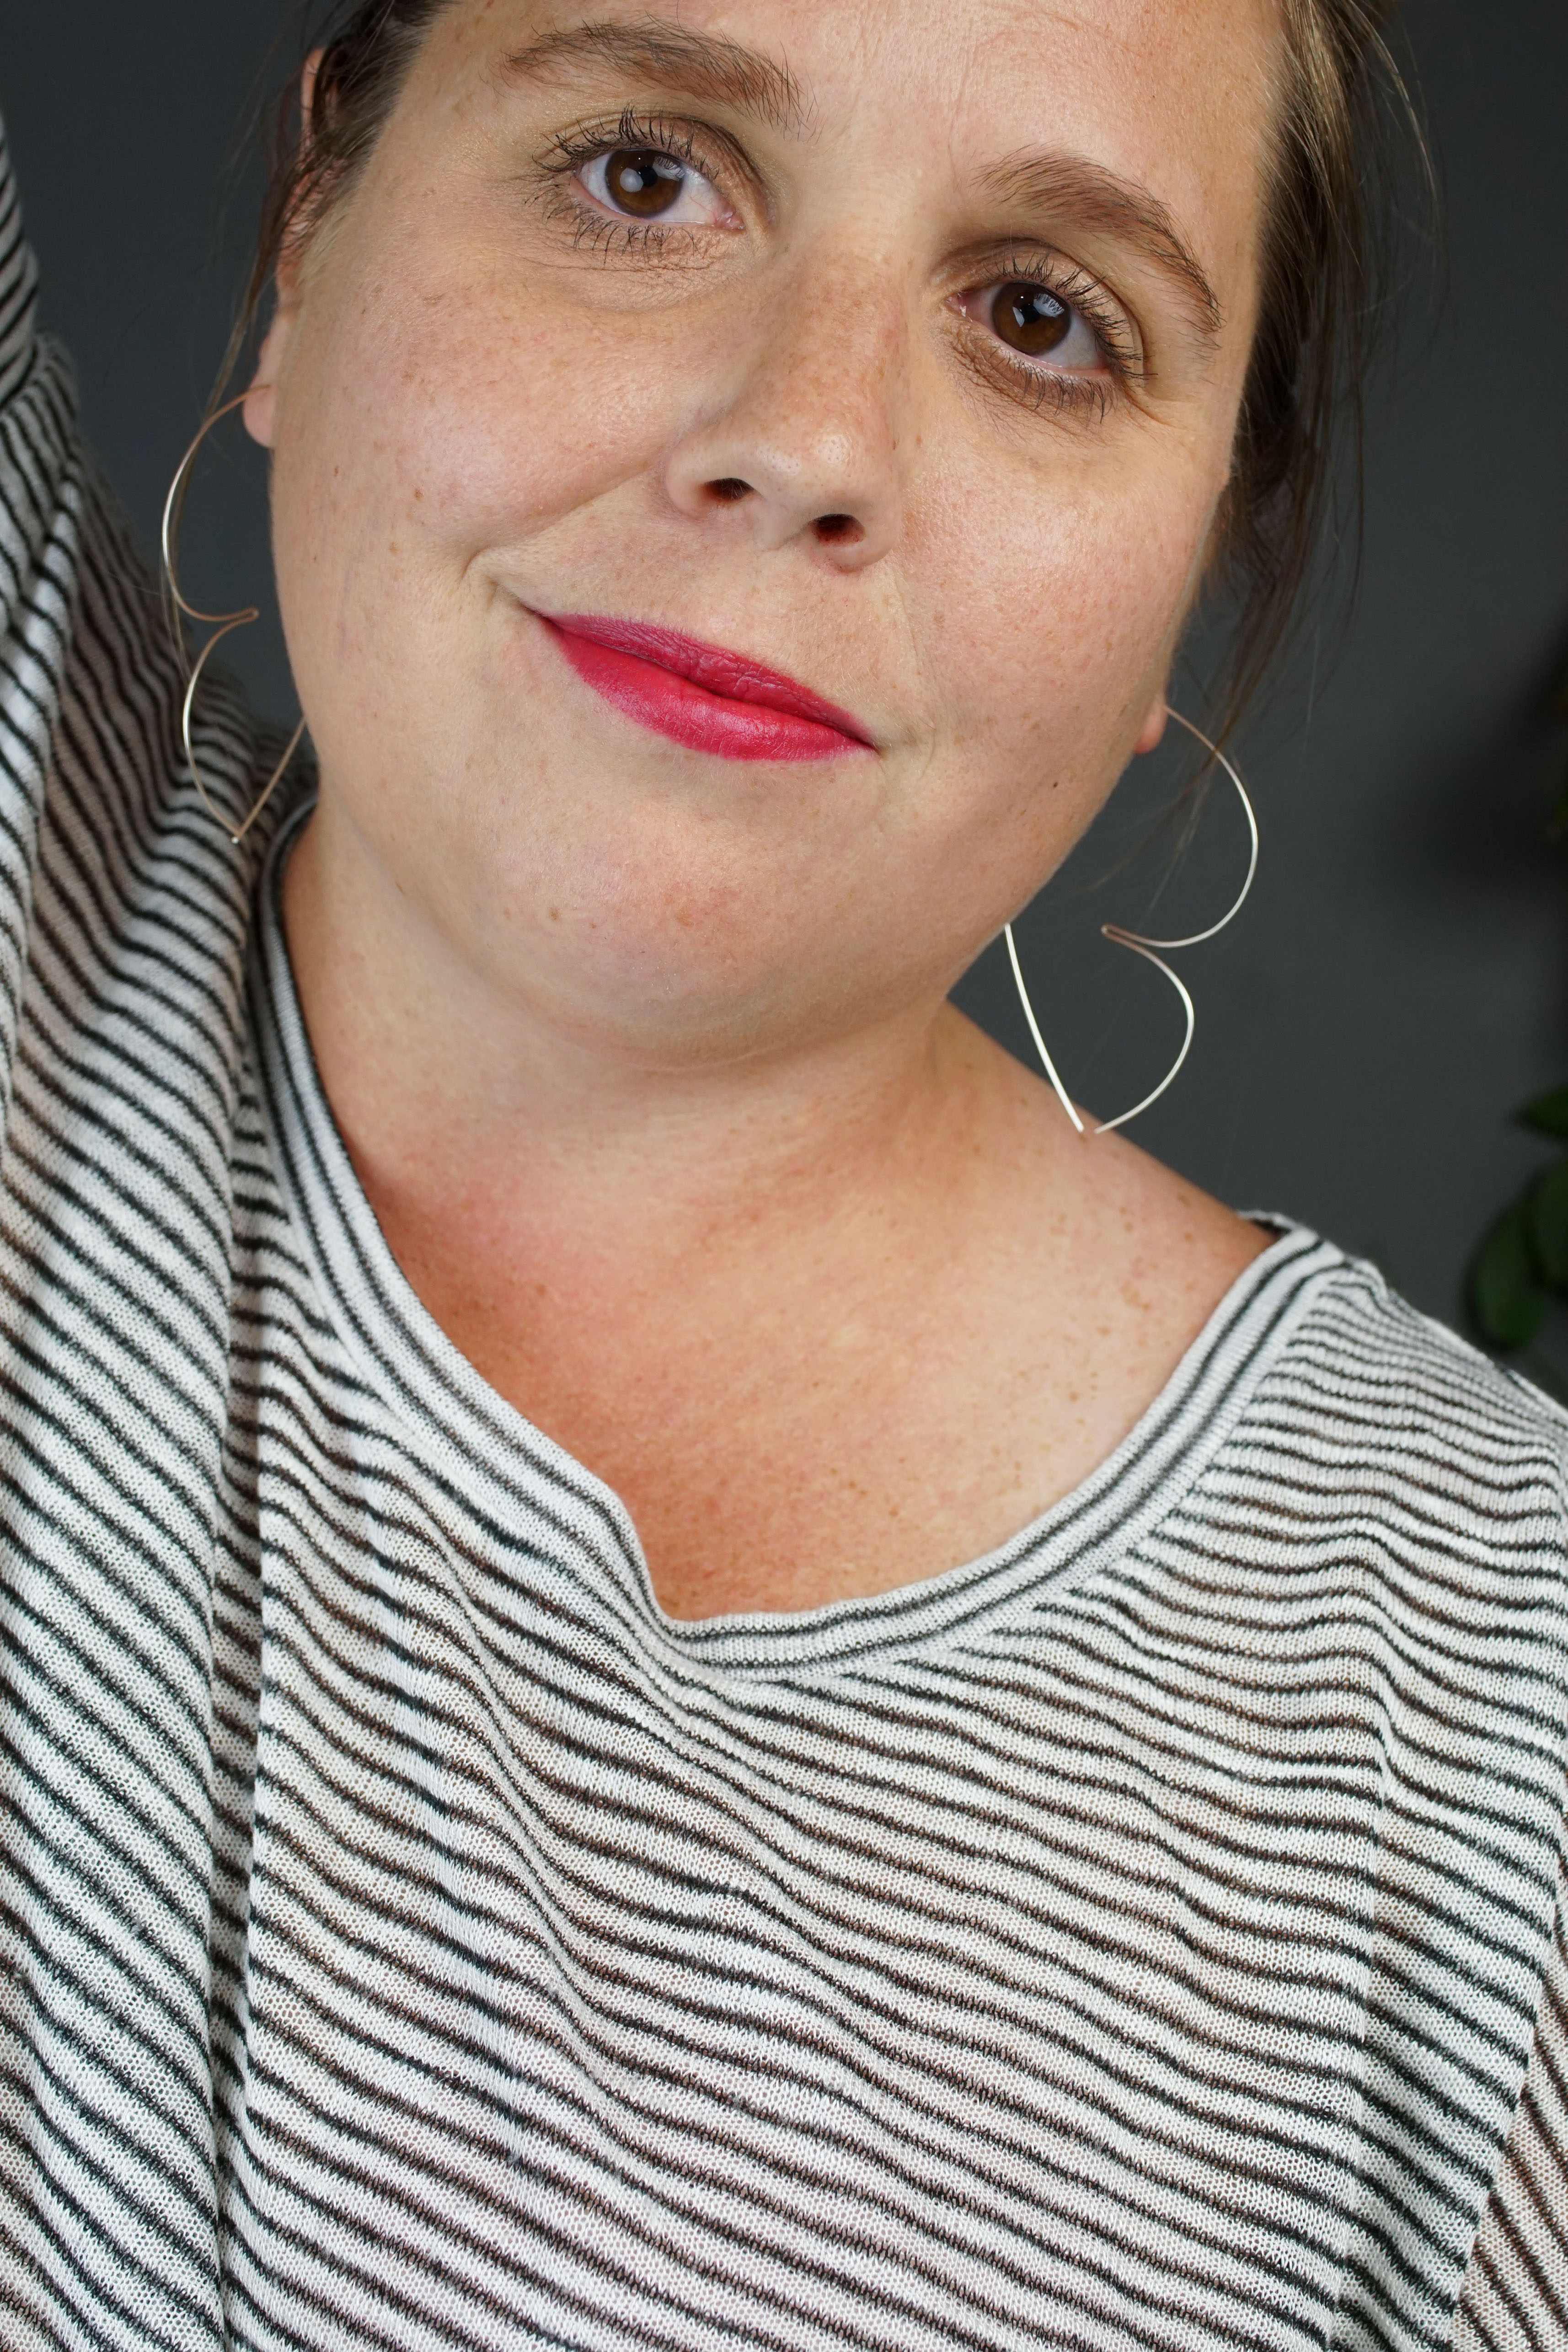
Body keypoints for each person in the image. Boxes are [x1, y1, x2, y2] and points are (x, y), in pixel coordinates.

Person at [0, 0, 1563, 2343]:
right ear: (309, 234)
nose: (807, 437)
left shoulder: (1499, 1727)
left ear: (1187, 575)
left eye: (1045, 316)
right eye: (646, 172)